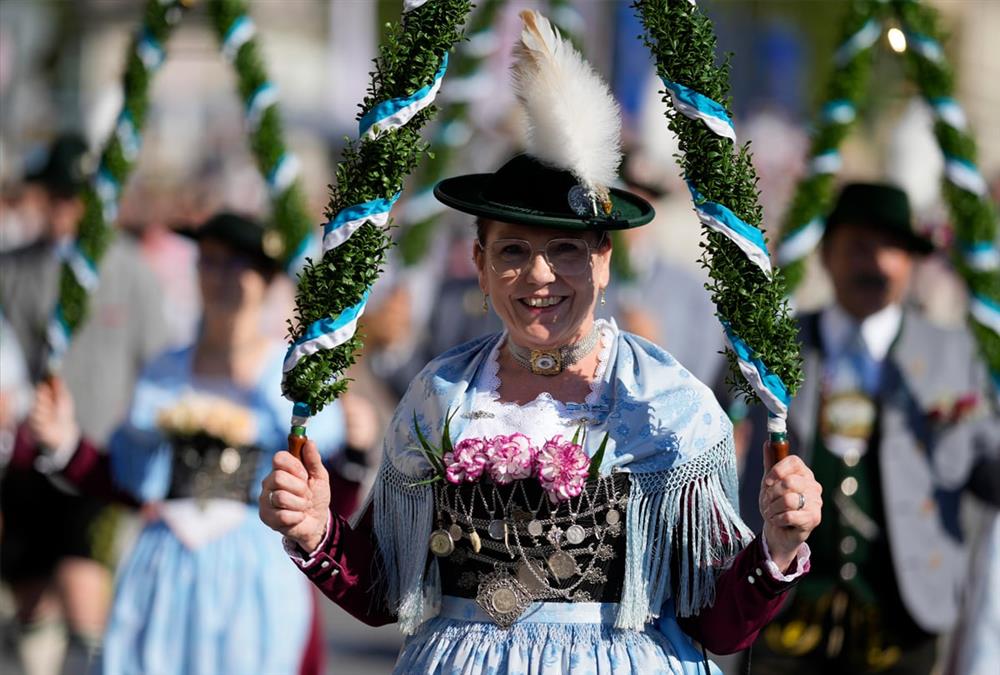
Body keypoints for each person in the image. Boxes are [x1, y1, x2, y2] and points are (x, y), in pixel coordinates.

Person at [260, 12, 822, 674]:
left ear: (604, 259)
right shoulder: (441, 396)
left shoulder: (668, 404)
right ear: (479, 262)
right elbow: (389, 592)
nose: (539, 275)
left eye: (565, 250)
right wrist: (317, 530)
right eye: (514, 252)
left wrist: (778, 548)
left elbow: (720, 624)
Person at [24, 212, 363, 675]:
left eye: (235, 265)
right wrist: (65, 444)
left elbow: (328, 508)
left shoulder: (292, 385)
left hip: (256, 583)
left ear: (265, 280)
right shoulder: (166, 370)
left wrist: (357, 454)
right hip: (164, 576)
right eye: (208, 261)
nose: (218, 277)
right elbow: (128, 482)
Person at [737, 183, 1000, 674]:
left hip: (904, 616)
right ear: (826, 254)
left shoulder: (953, 352)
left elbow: (987, 469)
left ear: (911, 263)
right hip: (785, 610)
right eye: (858, 245)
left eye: (892, 249)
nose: (875, 263)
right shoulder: (773, 345)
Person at [0, 134, 168, 674]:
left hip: (98, 457)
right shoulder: (13, 268)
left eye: (72, 197)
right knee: (28, 591)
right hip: (26, 457)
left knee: (82, 578)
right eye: (52, 195)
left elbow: (158, 364)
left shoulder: (128, 269)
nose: (61, 208)